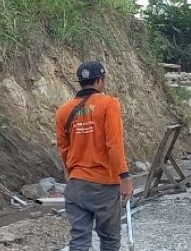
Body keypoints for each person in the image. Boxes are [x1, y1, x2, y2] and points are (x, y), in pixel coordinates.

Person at [55, 61, 133, 251]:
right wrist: (124, 177)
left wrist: (71, 175)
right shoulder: (109, 104)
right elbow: (114, 144)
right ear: (99, 80)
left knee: (79, 240)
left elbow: (63, 148)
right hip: (104, 185)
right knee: (109, 240)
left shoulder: (63, 111)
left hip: (77, 185)